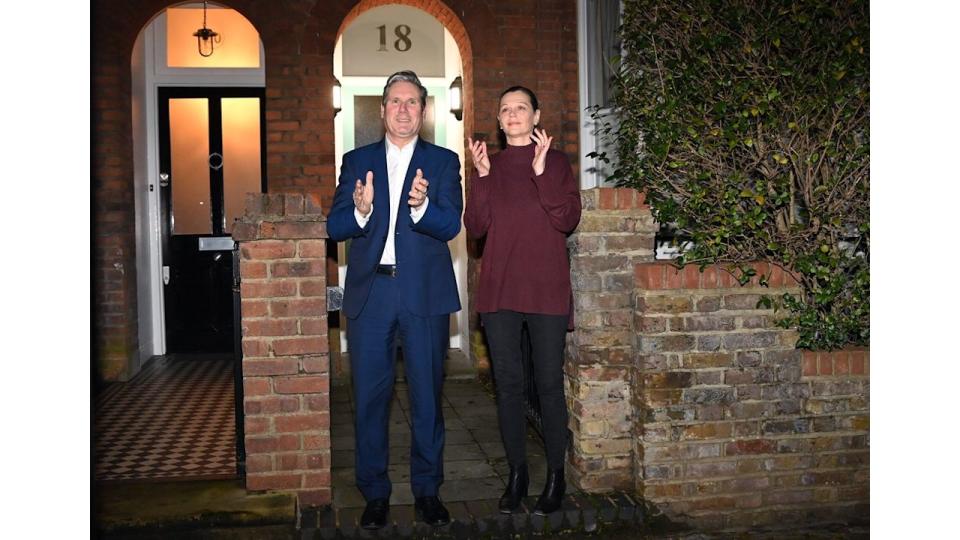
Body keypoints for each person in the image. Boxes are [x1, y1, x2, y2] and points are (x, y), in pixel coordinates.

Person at [327, 71, 463, 530]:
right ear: (382, 110)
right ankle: (375, 493)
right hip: (372, 294)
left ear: (423, 112)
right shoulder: (356, 161)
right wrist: (360, 211)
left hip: (424, 294)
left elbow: (450, 226)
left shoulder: (443, 162)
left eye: (412, 102)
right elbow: (335, 226)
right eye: (395, 102)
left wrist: (422, 207)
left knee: (427, 396)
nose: (403, 109)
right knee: (369, 398)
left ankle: (427, 491)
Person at [463, 86, 582, 515]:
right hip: (500, 292)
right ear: (498, 121)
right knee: (509, 388)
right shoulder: (488, 166)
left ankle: (555, 475)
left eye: (521, 108)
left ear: (536, 116)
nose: (513, 115)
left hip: (546, 290)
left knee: (549, 386)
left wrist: (541, 170)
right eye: (505, 110)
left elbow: (567, 218)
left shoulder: (557, 163)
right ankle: (517, 474)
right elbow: (475, 227)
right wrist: (479, 178)